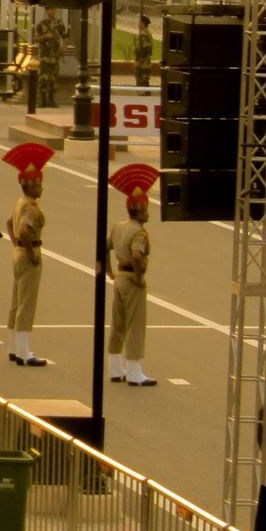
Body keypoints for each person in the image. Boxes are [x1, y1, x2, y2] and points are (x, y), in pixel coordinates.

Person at [107, 163, 159, 386]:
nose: (148, 213)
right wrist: (139, 277)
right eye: (146, 208)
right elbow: (138, 255)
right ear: (139, 209)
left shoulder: (119, 226)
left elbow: (104, 246)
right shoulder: (138, 231)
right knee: (135, 325)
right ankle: (134, 372)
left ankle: (114, 368)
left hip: (119, 277)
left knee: (118, 323)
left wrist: (109, 270)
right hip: (131, 279)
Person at [4, 143, 53, 367]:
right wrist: (31, 251)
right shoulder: (31, 207)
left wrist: (16, 244)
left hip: (18, 252)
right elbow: (24, 230)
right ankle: (24, 351)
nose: (42, 188)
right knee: (26, 302)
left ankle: (14, 347)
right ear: (32, 184)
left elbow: (8, 223)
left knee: (16, 301)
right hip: (28, 251)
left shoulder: (20, 202)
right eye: (39, 183)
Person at [34, 9, 65, 107]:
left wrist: (61, 49)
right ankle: (43, 100)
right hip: (44, 55)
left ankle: (51, 100)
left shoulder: (59, 24)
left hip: (54, 55)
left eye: (54, 9)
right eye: (50, 9)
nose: (53, 11)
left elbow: (65, 37)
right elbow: (36, 38)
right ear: (47, 11)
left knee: (53, 78)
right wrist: (46, 37)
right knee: (43, 78)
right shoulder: (41, 24)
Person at [133, 13, 154, 87]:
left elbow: (144, 49)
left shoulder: (143, 35)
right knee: (144, 82)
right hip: (146, 63)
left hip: (143, 64)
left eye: (139, 22)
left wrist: (138, 60)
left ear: (143, 23)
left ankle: (143, 97)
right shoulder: (147, 33)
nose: (137, 24)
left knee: (142, 83)